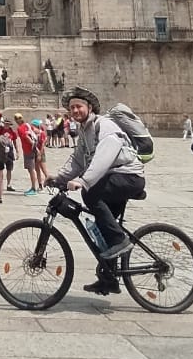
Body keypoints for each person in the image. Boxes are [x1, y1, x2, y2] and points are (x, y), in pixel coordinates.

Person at [47, 88, 146, 298]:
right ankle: (108, 279)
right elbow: (77, 159)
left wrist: (83, 181)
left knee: (90, 195)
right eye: (72, 107)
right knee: (102, 227)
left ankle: (120, 240)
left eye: (78, 106)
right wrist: (60, 178)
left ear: (89, 107)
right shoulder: (84, 131)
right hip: (113, 178)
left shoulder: (104, 125)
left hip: (129, 177)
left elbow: (104, 157)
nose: (75, 110)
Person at [13, 113, 40, 193]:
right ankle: (37, 185)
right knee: (33, 169)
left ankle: (33, 188)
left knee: (31, 170)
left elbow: (26, 137)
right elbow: (37, 131)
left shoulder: (20, 128)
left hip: (28, 150)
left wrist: (32, 144)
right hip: (33, 149)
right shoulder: (27, 125)